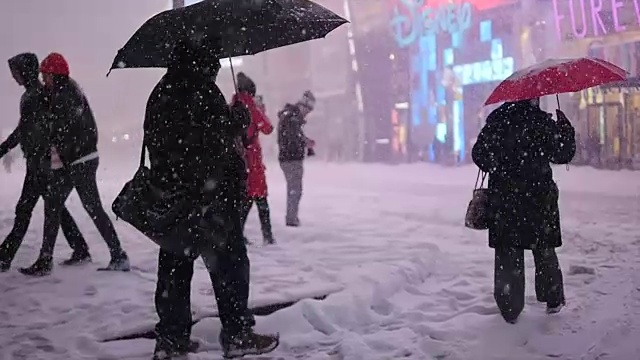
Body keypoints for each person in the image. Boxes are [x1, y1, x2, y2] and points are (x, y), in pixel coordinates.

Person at [144, 41, 278, 359]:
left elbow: (161, 142)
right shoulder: (199, 89)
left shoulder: (161, 91)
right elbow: (210, 142)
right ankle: (237, 335)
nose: (216, 65)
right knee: (229, 264)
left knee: (175, 268)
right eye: (212, 59)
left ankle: (171, 339)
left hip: (174, 198)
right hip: (209, 196)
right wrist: (235, 121)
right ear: (201, 60)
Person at [19, 53, 129, 276]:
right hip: (74, 160)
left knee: (92, 208)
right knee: (53, 205)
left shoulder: (65, 95)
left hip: (80, 161)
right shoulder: (64, 91)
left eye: (46, 74)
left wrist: (42, 135)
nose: (44, 78)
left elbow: (60, 129)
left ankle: (118, 255)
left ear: (54, 74)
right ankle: (48, 259)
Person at [472, 98, 575, 324]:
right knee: (544, 249)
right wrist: (565, 129)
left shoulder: (498, 120)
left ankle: (509, 308)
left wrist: (500, 163)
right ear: (534, 98)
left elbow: (479, 154)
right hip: (538, 199)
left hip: (505, 200)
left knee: (508, 254)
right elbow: (563, 154)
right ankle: (552, 298)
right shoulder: (541, 122)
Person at [0, 53, 88, 272]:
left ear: (24, 71)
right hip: (42, 162)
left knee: (25, 209)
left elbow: (27, 130)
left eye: (15, 72)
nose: (13, 77)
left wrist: (5, 147)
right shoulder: (38, 94)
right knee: (55, 208)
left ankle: (6, 257)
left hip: (41, 163)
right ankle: (80, 248)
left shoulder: (34, 96)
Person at [232, 73, 276, 245]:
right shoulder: (250, 106)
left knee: (246, 198)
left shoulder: (233, 105)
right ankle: (267, 235)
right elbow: (268, 128)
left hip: (239, 158)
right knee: (260, 196)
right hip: (253, 160)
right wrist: (260, 110)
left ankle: (238, 233)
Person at [277, 90, 316, 227]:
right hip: (290, 158)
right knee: (295, 189)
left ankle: (292, 216)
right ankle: (291, 218)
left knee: (295, 188)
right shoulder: (292, 118)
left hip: (288, 157)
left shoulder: (290, 116)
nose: (307, 113)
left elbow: (294, 135)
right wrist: (305, 142)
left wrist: (305, 141)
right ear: (303, 105)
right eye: (308, 110)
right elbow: (293, 137)